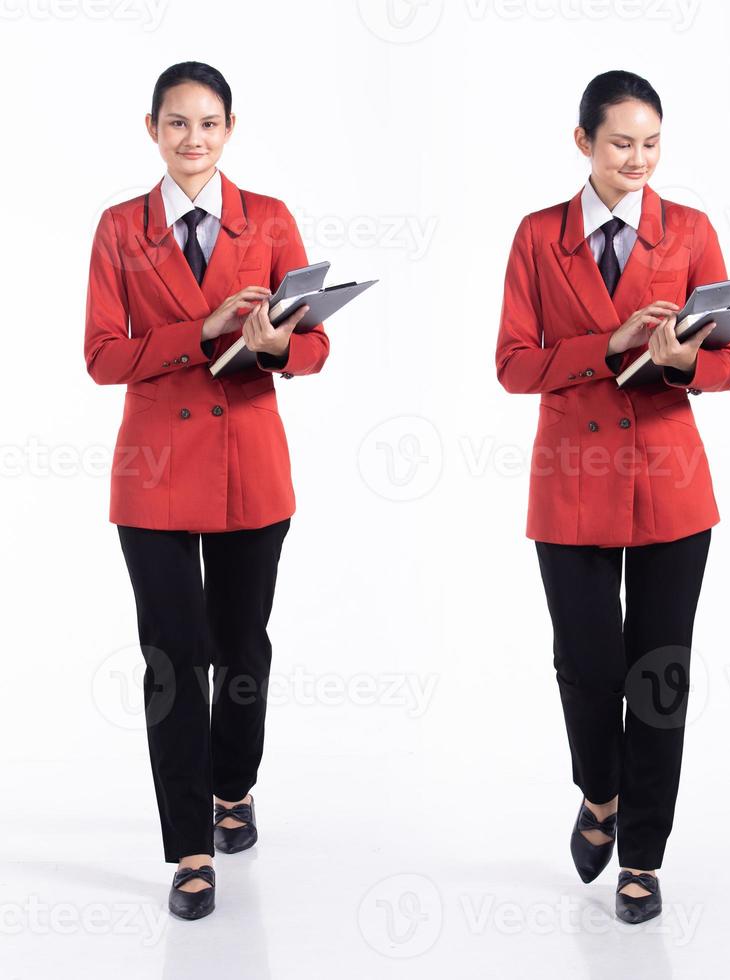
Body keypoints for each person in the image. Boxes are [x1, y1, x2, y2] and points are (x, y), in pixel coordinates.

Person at [495, 69, 730, 924]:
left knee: (659, 675)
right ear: (582, 144)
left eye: (650, 143)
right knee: (587, 665)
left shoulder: (691, 232)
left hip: (671, 481)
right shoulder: (536, 237)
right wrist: (605, 346)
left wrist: (682, 362)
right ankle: (598, 791)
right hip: (570, 480)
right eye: (619, 143)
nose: (637, 160)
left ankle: (642, 853)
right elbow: (512, 365)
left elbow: (728, 364)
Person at [84, 61, 328, 920]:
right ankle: (189, 844)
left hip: (248, 465)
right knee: (171, 661)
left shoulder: (268, 219)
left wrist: (270, 343)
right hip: (152, 471)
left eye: (210, 123)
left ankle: (234, 785)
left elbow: (317, 348)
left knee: (241, 649)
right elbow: (103, 355)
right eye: (178, 123)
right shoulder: (120, 228)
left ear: (231, 129)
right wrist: (203, 330)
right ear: (151, 127)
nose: (195, 139)